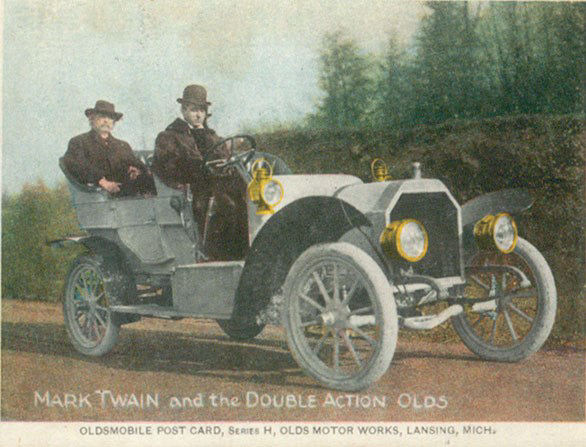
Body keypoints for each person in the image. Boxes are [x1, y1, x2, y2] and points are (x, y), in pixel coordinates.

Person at [152, 85, 247, 260]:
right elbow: (167, 167)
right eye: (194, 110)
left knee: (247, 198)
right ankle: (217, 255)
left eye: (202, 110)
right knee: (226, 205)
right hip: (191, 189)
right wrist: (197, 169)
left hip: (216, 185)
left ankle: (243, 252)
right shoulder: (169, 136)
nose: (198, 115)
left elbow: (223, 157)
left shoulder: (211, 136)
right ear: (183, 110)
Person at [63, 100, 155, 197]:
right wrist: (102, 181)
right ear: (92, 119)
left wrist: (137, 170)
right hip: (99, 197)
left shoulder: (122, 145)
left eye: (110, 118)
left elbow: (137, 164)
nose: (106, 121)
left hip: (127, 194)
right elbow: (74, 164)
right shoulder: (79, 142)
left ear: (114, 122)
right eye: (102, 116)